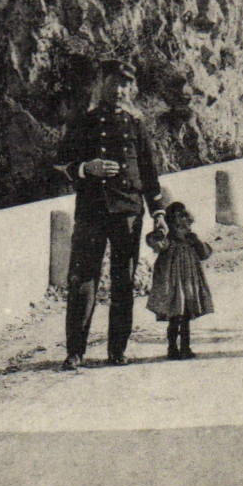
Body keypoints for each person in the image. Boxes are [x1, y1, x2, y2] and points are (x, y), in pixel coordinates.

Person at [54, 60, 168, 369]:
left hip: (128, 213)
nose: (119, 90)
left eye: (125, 84)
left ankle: (117, 350)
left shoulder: (136, 124)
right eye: (113, 83)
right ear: (101, 84)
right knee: (82, 281)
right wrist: (85, 168)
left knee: (123, 283)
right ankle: (75, 351)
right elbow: (60, 164)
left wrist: (158, 211)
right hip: (92, 211)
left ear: (131, 88)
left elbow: (149, 173)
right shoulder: (83, 122)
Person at [145, 202, 214, 360]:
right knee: (175, 318)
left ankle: (185, 347)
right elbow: (154, 243)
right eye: (179, 226)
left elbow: (205, 253)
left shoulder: (191, 241)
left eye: (186, 226)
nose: (184, 230)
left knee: (186, 317)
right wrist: (158, 233)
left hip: (189, 284)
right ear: (171, 226)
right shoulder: (168, 242)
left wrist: (196, 242)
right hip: (173, 286)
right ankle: (172, 348)